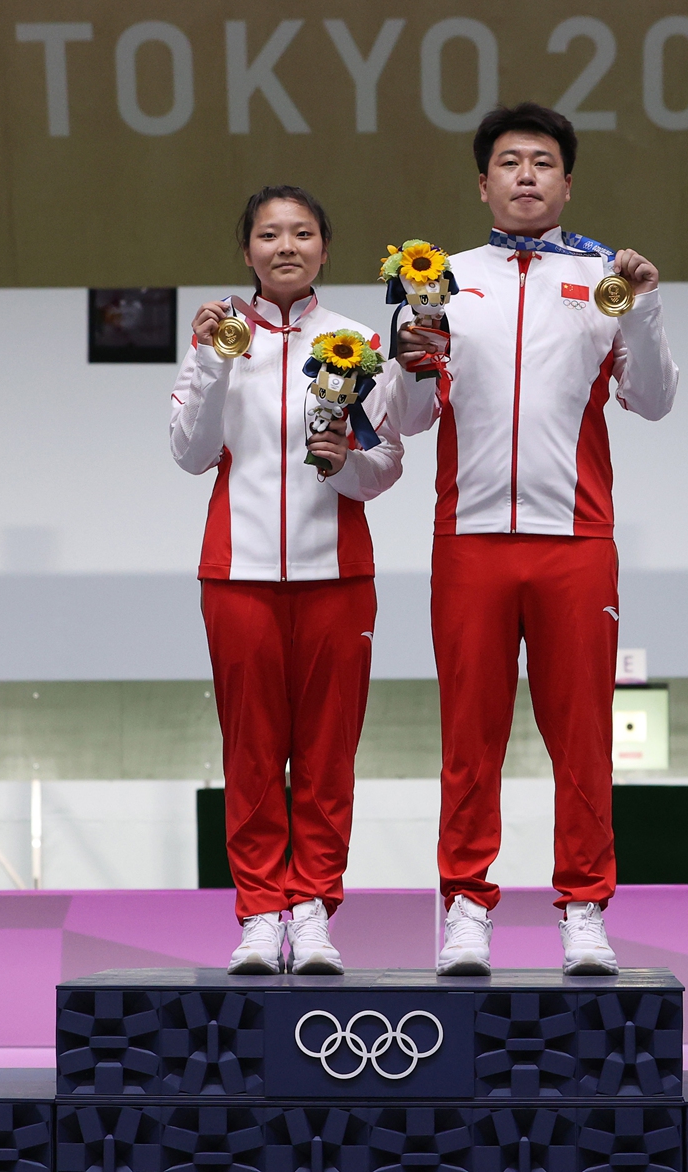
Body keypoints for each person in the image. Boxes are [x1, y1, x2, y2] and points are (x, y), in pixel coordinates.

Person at [395, 103, 679, 976]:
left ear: (566, 183)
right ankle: (465, 910)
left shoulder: (604, 281)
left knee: (582, 735)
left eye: (542, 162)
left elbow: (655, 400)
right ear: (482, 183)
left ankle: (584, 909)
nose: (525, 175)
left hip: (574, 540)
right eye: (509, 162)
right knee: (467, 737)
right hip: (469, 538)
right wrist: (409, 354)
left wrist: (642, 310)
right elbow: (404, 421)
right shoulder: (439, 278)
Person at [171, 185, 431, 975]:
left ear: (325, 248)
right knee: (250, 755)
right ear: (246, 250)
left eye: (303, 233)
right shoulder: (216, 338)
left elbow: (386, 466)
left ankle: (312, 910)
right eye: (269, 234)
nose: (286, 245)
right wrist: (216, 361)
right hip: (239, 574)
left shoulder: (355, 341)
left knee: (326, 757)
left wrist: (343, 463)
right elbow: (188, 452)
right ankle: (257, 914)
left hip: (336, 576)